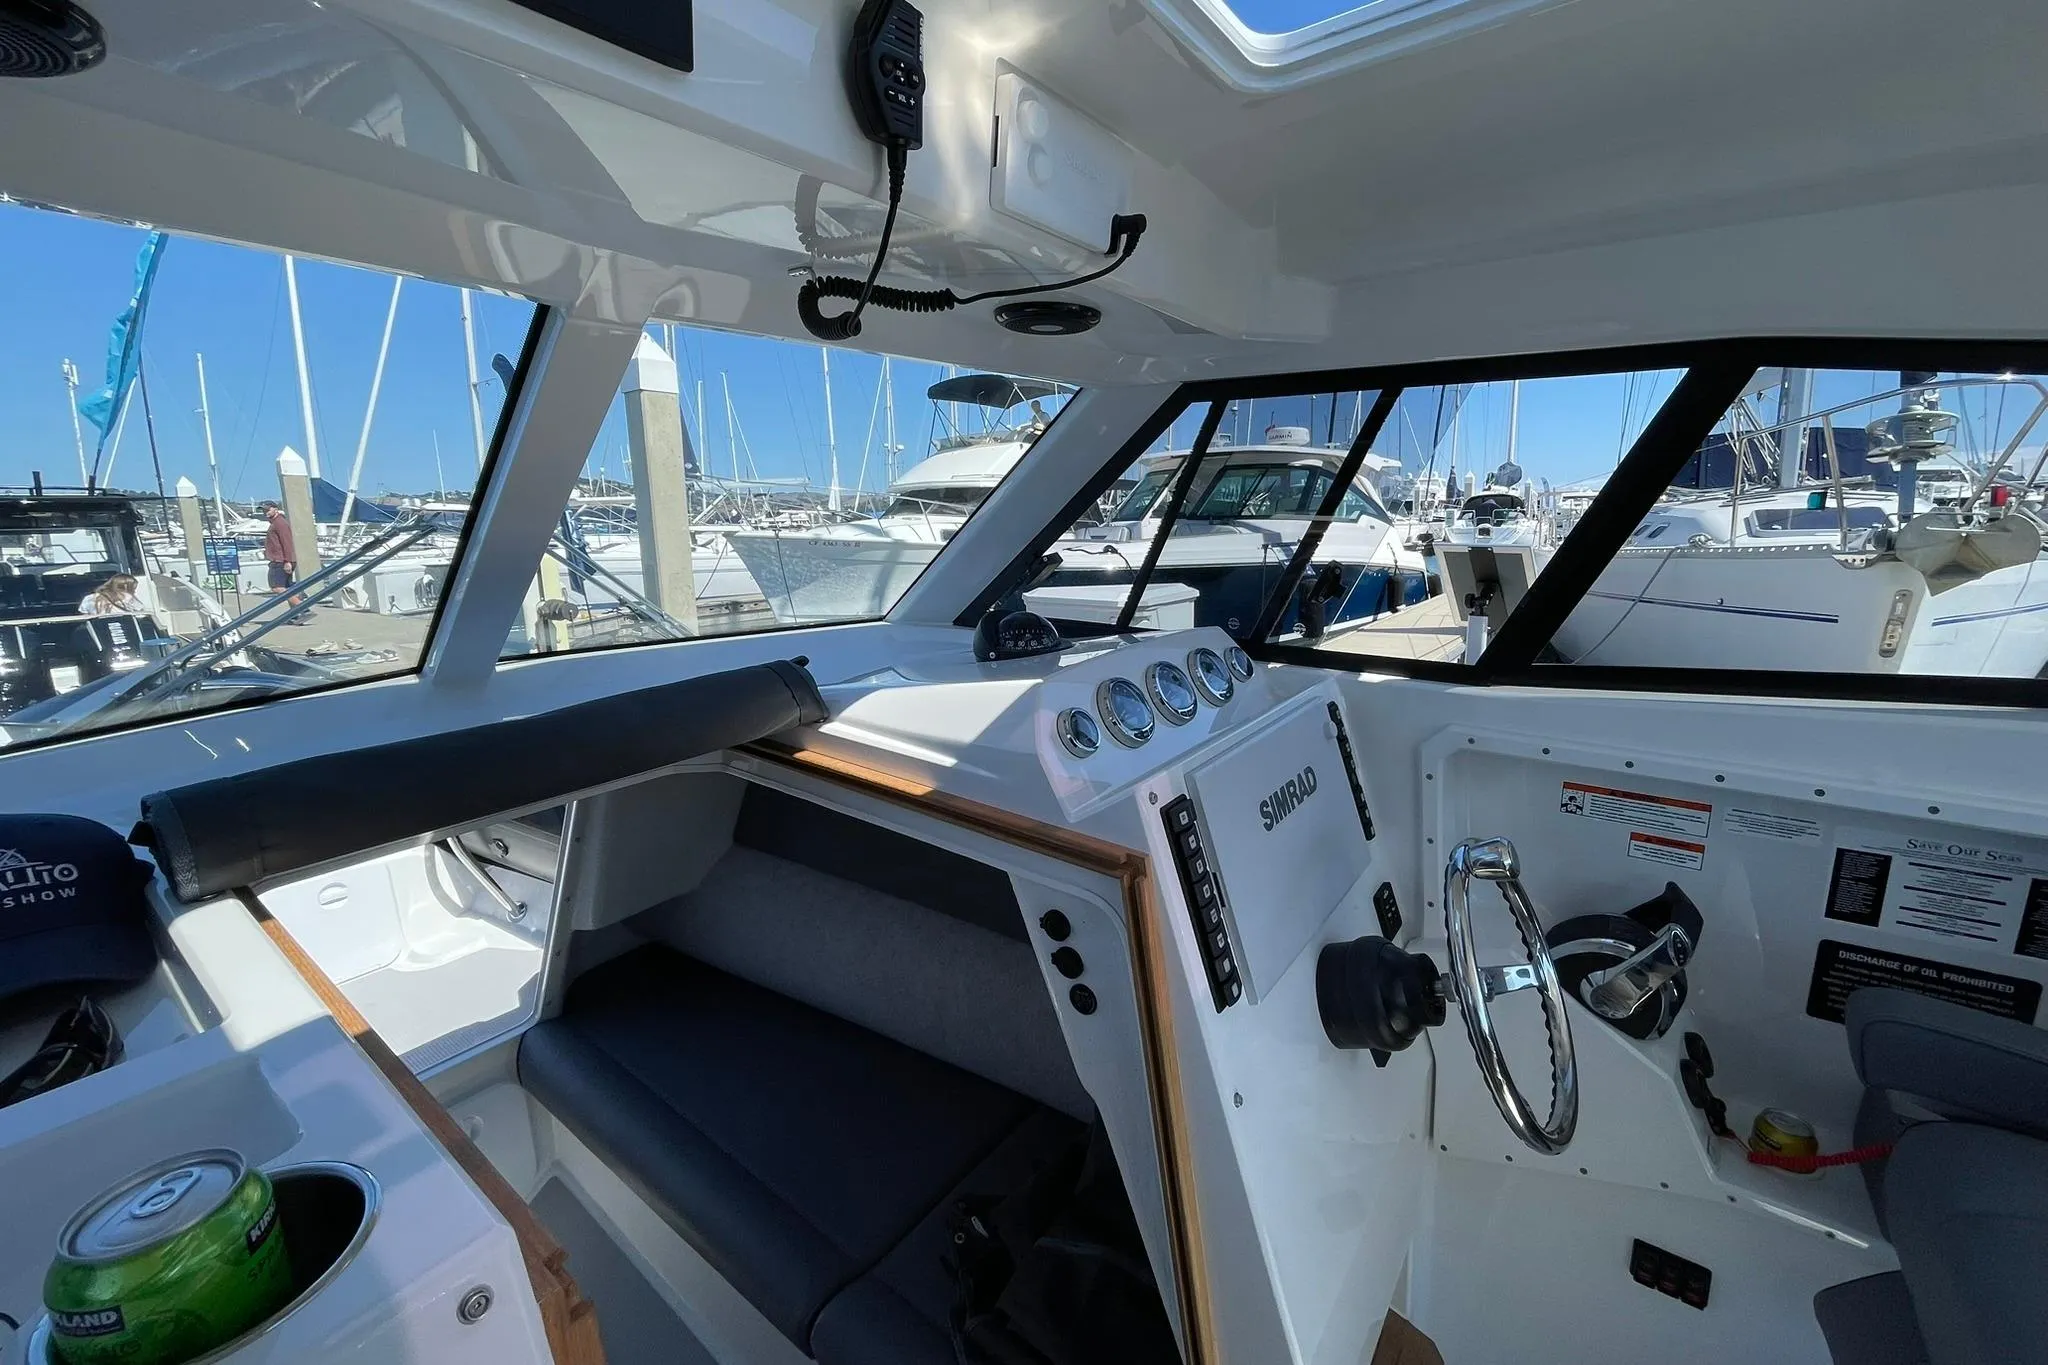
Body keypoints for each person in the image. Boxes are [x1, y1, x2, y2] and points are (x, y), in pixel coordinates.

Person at [261, 500, 302, 606]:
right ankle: (295, 614)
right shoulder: (276, 523)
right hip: (281, 559)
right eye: (263, 510)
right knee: (287, 587)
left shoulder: (280, 523)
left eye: (268, 509)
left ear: (275, 509)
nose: (265, 512)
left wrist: (287, 561)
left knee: (277, 587)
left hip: (280, 560)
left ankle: (302, 608)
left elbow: (287, 542)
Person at [78, 574, 145, 617]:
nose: (134, 591)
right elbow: (141, 613)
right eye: (133, 588)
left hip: (98, 627)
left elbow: (84, 614)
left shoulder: (89, 597)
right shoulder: (128, 597)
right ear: (125, 587)